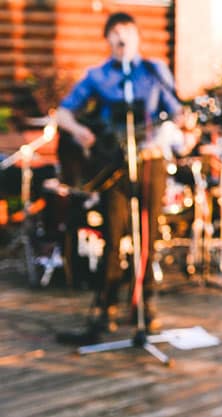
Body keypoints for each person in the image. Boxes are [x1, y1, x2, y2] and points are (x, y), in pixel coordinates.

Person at [55, 12, 185, 343]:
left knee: (149, 236)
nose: (121, 37)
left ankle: (146, 304)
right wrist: (80, 130)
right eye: (114, 32)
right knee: (113, 236)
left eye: (126, 31)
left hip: (148, 163)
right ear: (108, 39)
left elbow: (180, 113)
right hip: (112, 167)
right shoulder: (97, 75)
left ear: (137, 37)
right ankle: (106, 306)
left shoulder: (154, 71)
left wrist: (163, 135)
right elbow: (63, 112)